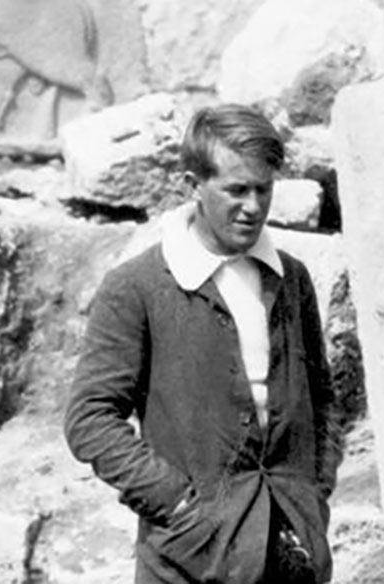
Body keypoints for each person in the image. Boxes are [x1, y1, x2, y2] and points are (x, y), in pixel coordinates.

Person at [65, 104, 340, 583]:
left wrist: (313, 492)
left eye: (263, 189)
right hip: (188, 561)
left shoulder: (291, 278)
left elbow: (322, 399)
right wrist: (175, 502)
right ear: (193, 185)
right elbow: (90, 419)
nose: (253, 207)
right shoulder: (138, 286)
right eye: (236, 190)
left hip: (291, 548)